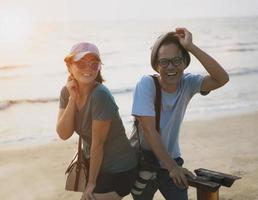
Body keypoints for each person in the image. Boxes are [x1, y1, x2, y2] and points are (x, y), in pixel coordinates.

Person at [131, 28, 229, 200]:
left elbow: (222, 78)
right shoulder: (147, 84)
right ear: (156, 65)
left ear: (185, 62)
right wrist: (172, 168)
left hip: (172, 160)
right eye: (164, 62)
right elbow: (149, 130)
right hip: (144, 163)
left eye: (177, 60)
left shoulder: (187, 83)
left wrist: (191, 47)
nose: (170, 67)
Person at [56, 42, 137, 200]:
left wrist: (91, 183)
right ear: (69, 67)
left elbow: (98, 143)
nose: (88, 68)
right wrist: (73, 98)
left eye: (94, 64)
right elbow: (63, 133)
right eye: (81, 63)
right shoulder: (66, 92)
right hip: (94, 166)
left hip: (119, 169)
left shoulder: (100, 95)